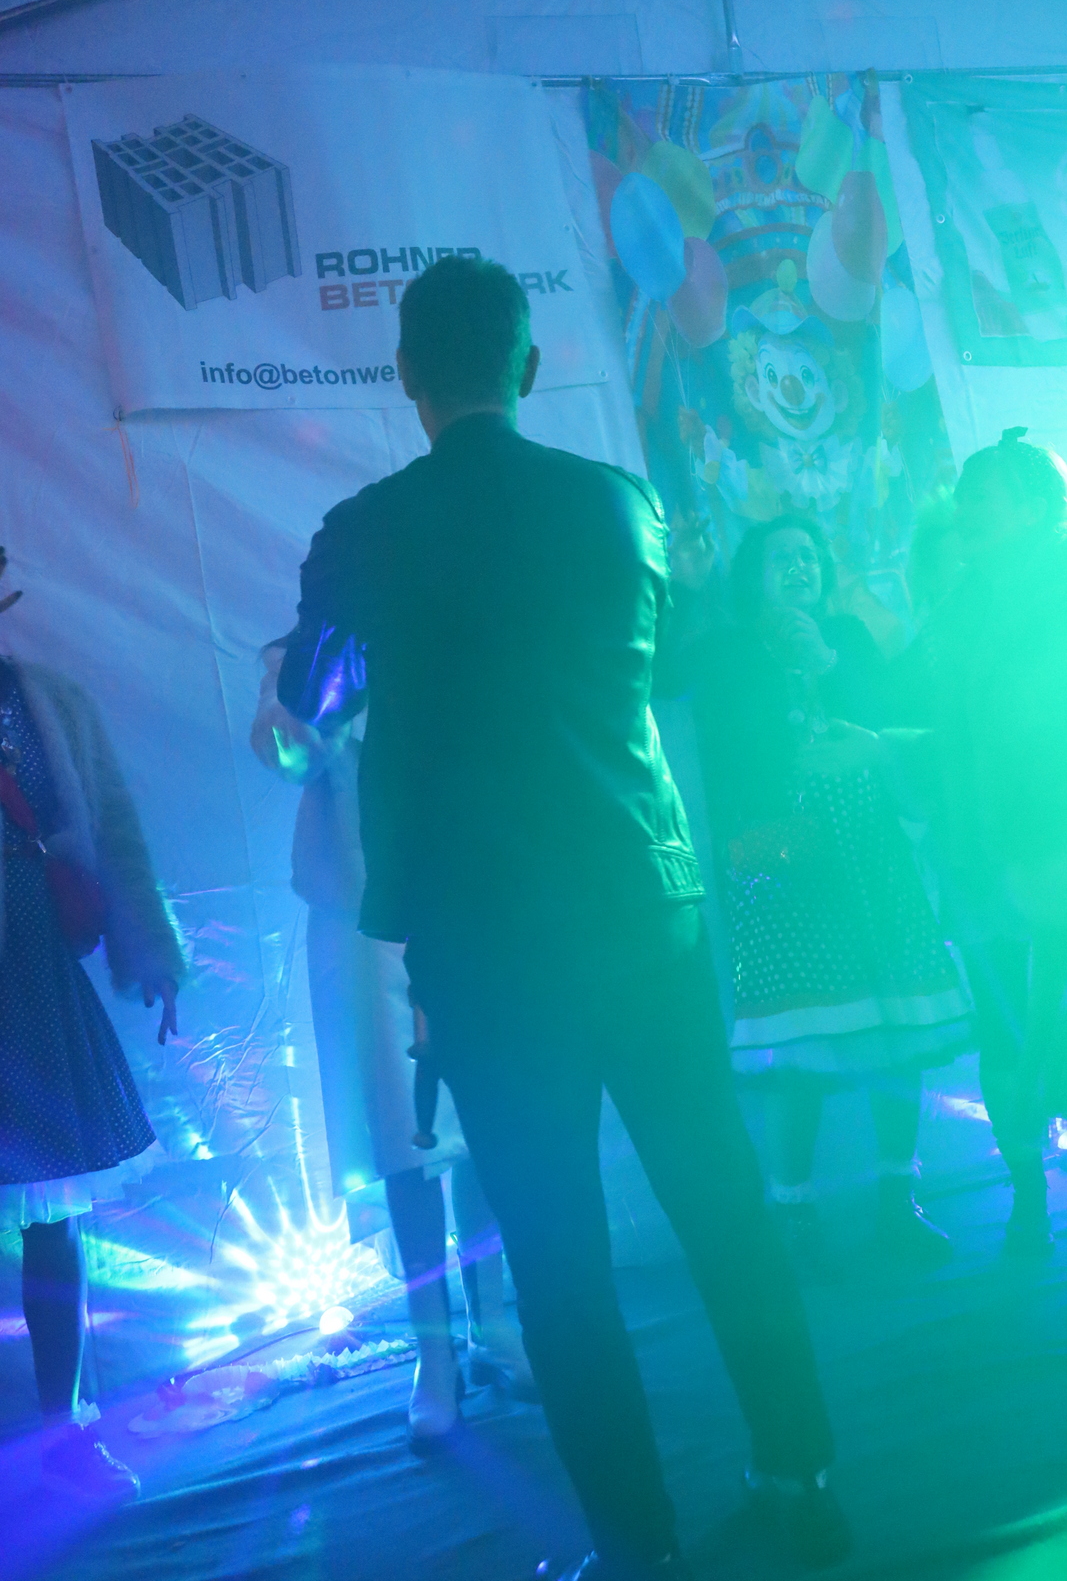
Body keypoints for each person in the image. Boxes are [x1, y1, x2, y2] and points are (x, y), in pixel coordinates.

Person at [278, 255, 849, 1581]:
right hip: (643, 905)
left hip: (487, 941)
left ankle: (634, 1550)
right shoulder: (620, 505)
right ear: (528, 367)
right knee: (723, 1205)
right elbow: (670, 660)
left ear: (405, 377)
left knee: (555, 1251)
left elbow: (306, 700)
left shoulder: (365, 529)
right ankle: (802, 1481)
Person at [671, 516, 970, 1273]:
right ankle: (793, 1211)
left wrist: (826, 662)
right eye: (781, 557)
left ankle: (897, 1201)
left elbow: (893, 721)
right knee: (797, 1044)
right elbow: (687, 706)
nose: (799, 566)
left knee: (898, 1029)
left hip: (871, 854)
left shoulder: (848, 638)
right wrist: (766, 659)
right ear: (752, 575)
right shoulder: (725, 649)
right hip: (780, 861)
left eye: (808, 555)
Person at [251, 648, 533, 1448]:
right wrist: (323, 689)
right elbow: (284, 752)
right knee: (403, 1137)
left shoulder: (444, 626)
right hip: (366, 917)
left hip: (466, 898)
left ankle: (491, 1321)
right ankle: (434, 1353)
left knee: (481, 1121)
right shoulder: (307, 653)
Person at [0, 553, 185, 1500]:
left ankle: (64, 1433)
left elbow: (110, 828)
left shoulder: (47, 703)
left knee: (53, 1218)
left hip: (32, 978)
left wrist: (150, 951)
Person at [891, 428, 1067, 1254]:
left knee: (1037, 1029)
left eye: (980, 496)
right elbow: (929, 716)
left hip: (1044, 846)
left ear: (1033, 503)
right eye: (959, 497)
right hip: (980, 853)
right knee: (1002, 1027)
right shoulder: (961, 607)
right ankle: (1027, 1197)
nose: (963, 511)